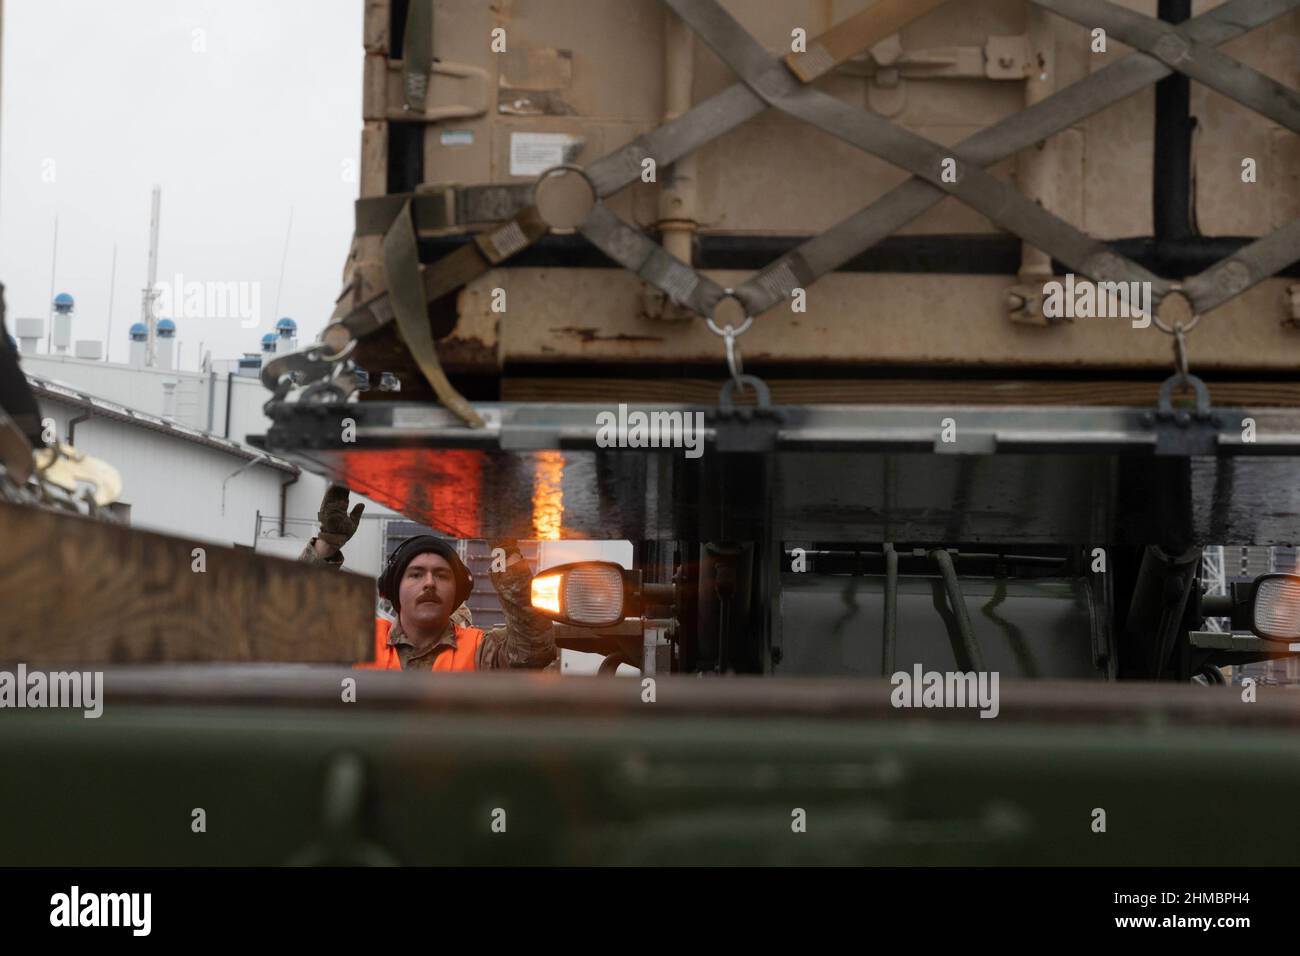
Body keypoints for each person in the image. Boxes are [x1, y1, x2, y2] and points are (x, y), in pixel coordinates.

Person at [300, 484, 555, 671]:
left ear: (456, 593)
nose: (430, 582)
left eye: (442, 575)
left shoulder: (480, 651)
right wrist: (325, 546)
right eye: (416, 574)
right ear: (394, 589)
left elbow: (533, 650)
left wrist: (506, 550)